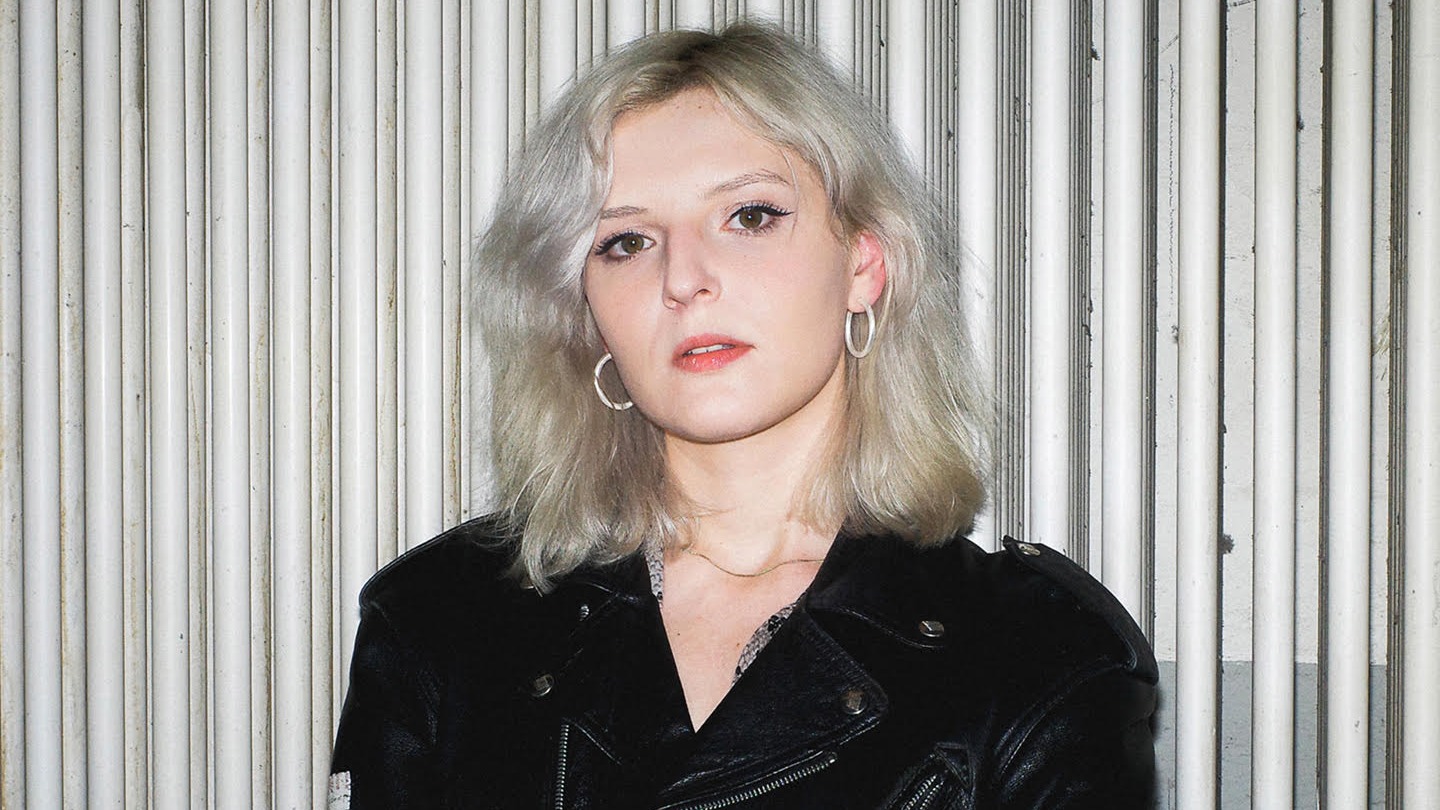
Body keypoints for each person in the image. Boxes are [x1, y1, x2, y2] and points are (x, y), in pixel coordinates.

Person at [329, 22, 1156, 809]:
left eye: (750, 216)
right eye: (625, 242)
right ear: (585, 314)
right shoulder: (437, 621)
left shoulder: (1038, 654)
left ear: (863, 264)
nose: (683, 278)